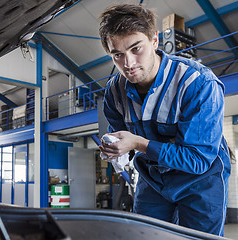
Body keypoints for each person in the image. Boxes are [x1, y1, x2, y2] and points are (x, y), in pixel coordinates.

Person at [98, 4, 231, 236]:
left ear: (155, 41)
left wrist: (138, 144)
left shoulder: (198, 84)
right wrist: (115, 148)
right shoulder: (114, 93)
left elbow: (197, 160)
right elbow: (122, 138)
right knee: (146, 235)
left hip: (200, 181)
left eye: (136, 48)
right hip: (153, 179)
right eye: (117, 55)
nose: (128, 64)